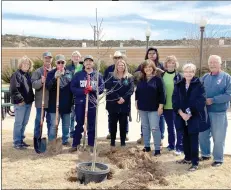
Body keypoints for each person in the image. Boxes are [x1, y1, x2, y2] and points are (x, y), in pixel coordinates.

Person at [172, 63, 209, 171]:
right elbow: (175, 99)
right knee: (185, 137)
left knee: (193, 138)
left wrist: (189, 113)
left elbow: (201, 100)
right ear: (183, 73)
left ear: (194, 72)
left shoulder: (199, 84)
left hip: (194, 115)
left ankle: (194, 162)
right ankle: (187, 158)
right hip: (182, 116)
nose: (188, 74)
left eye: (191, 71)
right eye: (186, 71)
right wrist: (181, 113)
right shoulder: (178, 84)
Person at [199, 55, 231, 167]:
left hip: (219, 113)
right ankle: (205, 154)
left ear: (220, 63)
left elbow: (229, 95)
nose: (212, 64)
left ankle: (218, 159)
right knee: (202, 135)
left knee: (218, 137)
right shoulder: (204, 77)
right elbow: (197, 90)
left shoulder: (227, 77)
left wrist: (213, 100)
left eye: (215, 62)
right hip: (204, 113)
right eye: (210, 62)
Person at [69, 55, 104, 152]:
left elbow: (101, 88)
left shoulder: (98, 75)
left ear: (93, 63)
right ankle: (75, 144)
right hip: (80, 103)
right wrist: (82, 91)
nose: (88, 63)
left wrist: (92, 89)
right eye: (86, 61)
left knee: (91, 124)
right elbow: (72, 87)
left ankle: (91, 145)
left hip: (92, 103)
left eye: (90, 61)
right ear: (83, 63)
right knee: (79, 123)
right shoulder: (78, 75)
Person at [135, 47, 165, 147]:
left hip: (155, 105)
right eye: (149, 53)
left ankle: (159, 142)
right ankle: (146, 144)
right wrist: (136, 101)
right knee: (145, 126)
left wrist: (161, 106)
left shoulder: (160, 69)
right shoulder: (141, 76)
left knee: (156, 125)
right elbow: (137, 90)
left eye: (153, 53)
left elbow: (162, 91)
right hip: (143, 106)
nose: (152, 55)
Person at [105, 59, 134, 148]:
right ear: (116, 66)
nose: (120, 67)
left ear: (125, 66)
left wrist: (123, 98)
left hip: (124, 105)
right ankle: (113, 141)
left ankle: (122, 142)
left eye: (122, 65)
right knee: (113, 124)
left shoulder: (129, 77)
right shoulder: (111, 76)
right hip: (113, 104)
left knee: (123, 124)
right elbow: (109, 88)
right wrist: (118, 98)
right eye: (119, 65)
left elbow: (131, 90)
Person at [45, 54, 73, 146]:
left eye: (62, 62)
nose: (61, 64)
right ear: (56, 63)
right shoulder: (51, 73)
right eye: (58, 62)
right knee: (53, 125)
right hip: (54, 105)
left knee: (66, 125)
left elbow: (72, 88)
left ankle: (65, 140)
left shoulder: (69, 73)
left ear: (65, 63)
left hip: (66, 104)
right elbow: (47, 86)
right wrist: (54, 78)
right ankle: (52, 141)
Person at [104, 50, 129, 141]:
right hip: (111, 99)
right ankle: (111, 132)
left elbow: (129, 85)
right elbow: (105, 84)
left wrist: (124, 97)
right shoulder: (108, 70)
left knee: (124, 117)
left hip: (124, 99)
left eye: (119, 57)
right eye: (115, 57)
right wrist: (116, 96)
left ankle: (125, 133)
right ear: (113, 59)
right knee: (111, 117)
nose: (117, 59)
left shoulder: (126, 68)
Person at [10, 56, 34, 149]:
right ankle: (16, 142)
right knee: (19, 123)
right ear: (20, 64)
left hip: (28, 103)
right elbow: (13, 89)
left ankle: (21, 140)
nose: (26, 65)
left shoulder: (27, 75)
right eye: (24, 63)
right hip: (21, 104)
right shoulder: (16, 75)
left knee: (24, 123)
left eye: (28, 64)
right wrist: (21, 100)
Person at [162, 55, 183, 155]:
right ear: (166, 64)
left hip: (176, 107)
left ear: (175, 64)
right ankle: (171, 145)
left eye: (173, 62)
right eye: (169, 62)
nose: (171, 64)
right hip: (166, 106)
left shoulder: (180, 76)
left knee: (178, 127)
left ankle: (179, 147)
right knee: (170, 127)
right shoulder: (162, 76)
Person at [31, 52, 52, 142]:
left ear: (52, 59)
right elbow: (33, 84)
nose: (47, 60)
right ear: (43, 59)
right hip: (41, 102)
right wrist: (41, 81)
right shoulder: (38, 71)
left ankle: (51, 140)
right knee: (39, 121)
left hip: (51, 102)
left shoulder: (54, 71)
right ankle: (37, 138)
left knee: (50, 122)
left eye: (49, 58)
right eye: (46, 58)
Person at [66, 50, 83, 138]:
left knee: (80, 114)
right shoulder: (68, 68)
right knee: (72, 114)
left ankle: (79, 130)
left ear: (80, 58)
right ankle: (71, 131)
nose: (76, 57)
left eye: (77, 56)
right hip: (70, 94)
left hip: (81, 94)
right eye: (74, 56)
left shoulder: (83, 67)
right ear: (72, 58)